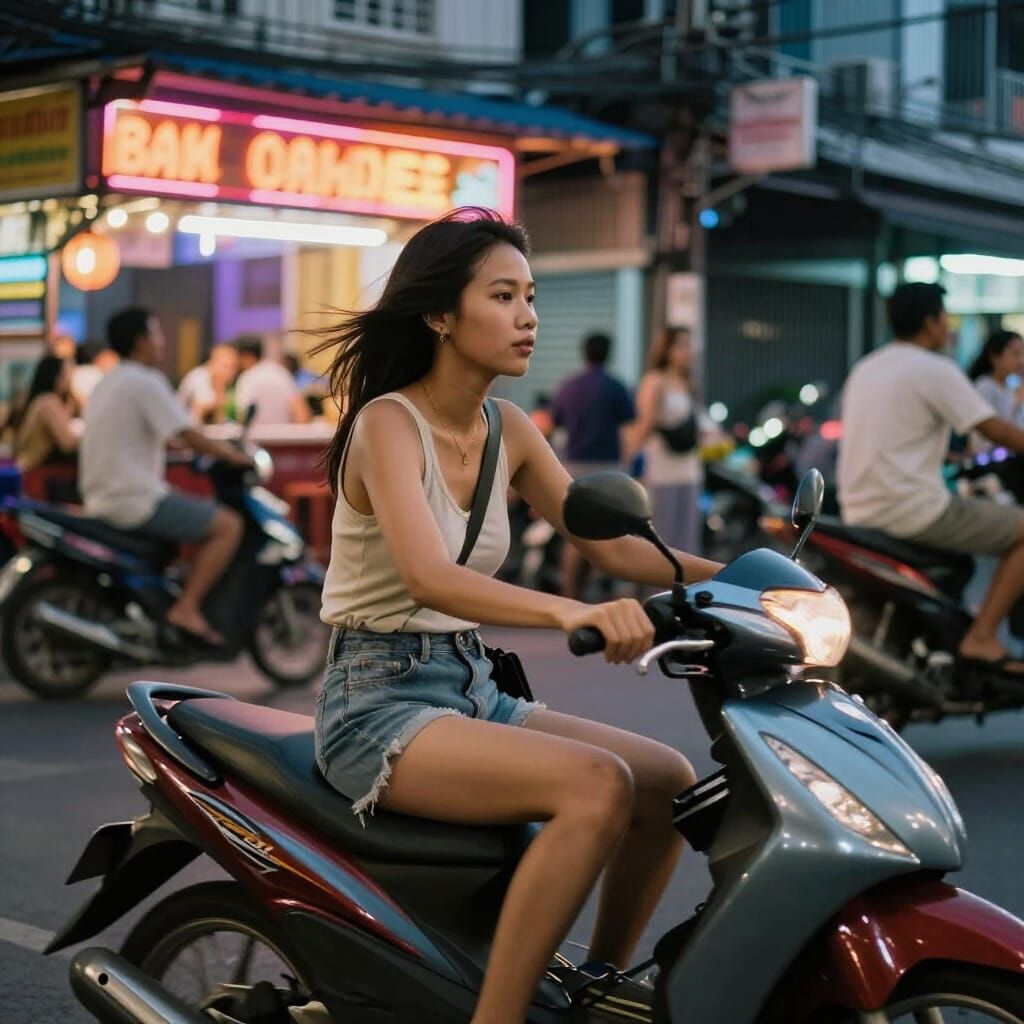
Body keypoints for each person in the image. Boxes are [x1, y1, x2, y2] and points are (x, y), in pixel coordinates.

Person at [313, 207, 722, 1024]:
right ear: (440, 315)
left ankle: (597, 987)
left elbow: (612, 545)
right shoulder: (387, 424)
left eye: (530, 297)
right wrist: (573, 612)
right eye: (503, 297)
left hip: (470, 686)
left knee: (667, 782)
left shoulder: (510, 428)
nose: (528, 316)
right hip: (376, 700)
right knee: (596, 786)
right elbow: (428, 577)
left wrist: (748, 580)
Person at [837, 283, 1024, 677]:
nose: (949, 327)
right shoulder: (934, 368)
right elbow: (999, 431)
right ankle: (982, 637)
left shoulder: (867, 367)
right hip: (914, 509)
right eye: (945, 317)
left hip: (858, 511)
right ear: (930, 322)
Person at [80, 307, 255, 646]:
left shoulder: (107, 382)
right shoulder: (145, 381)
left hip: (103, 498)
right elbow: (186, 433)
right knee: (228, 525)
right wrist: (233, 456)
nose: (162, 342)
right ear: (140, 342)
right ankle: (187, 608)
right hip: (134, 501)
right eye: (157, 334)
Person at [550, 332, 635, 598]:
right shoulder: (616, 386)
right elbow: (629, 426)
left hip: (574, 467)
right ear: (609, 353)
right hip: (608, 468)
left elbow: (556, 422)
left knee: (576, 535)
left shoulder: (568, 386)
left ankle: (569, 593)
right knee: (611, 534)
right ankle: (613, 595)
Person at [627, 326, 705, 555]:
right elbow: (643, 425)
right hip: (662, 469)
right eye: (680, 345)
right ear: (667, 349)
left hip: (690, 468)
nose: (686, 351)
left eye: (688, 345)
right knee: (663, 540)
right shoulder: (655, 381)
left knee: (687, 540)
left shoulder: (689, 383)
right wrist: (629, 461)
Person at [13, 355, 79, 475]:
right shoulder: (48, 402)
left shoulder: (39, 400)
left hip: (26, 469)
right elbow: (68, 444)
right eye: (65, 375)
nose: (68, 380)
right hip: (34, 474)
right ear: (54, 376)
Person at [234, 334, 312, 427]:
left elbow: (243, 415)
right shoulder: (280, 372)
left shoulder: (247, 378)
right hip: (284, 434)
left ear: (246, 356)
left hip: (257, 434)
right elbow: (301, 412)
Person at [968, 329, 1024, 434]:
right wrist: (1017, 400)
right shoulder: (984, 386)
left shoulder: (1008, 387)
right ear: (995, 357)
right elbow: (986, 431)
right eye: (1015, 354)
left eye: (1022, 354)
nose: (1021, 361)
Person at [178, 342, 240, 424]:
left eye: (234, 367)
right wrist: (220, 395)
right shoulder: (199, 376)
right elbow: (199, 411)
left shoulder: (223, 382)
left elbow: (220, 418)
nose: (231, 372)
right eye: (226, 366)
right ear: (212, 362)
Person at [69, 340, 118, 415]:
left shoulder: (79, 372)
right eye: (112, 360)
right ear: (100, 359)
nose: (115, 364)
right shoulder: (92, 374)